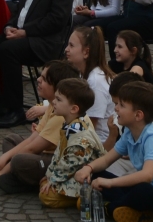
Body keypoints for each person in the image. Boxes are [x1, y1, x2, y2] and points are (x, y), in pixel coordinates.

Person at [80, 79, 153, 222]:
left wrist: (111, 183)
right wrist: (88, 168)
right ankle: (126, 209)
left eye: (121, 105)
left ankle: (110, 207)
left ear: (138, 115)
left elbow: (147, 175)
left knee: (141, 189)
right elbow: (107, 160)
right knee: (97, 175)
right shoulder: (129, 132)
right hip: (142, 189)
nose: (116, 109)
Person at [0, 60, 71, 191]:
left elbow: (32, 149)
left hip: (55, 160)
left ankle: (18, 180)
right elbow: (31, 140)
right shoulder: (51, 105)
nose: (38, 80)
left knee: (18, 160)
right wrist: (3, 158)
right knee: (10, 140)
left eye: (44, 79)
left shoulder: (60, 115)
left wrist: (3, 170)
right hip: (42, 153)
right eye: (40, 76)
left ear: (56, 87)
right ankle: (15, 176)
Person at [37, 79, 106, 208]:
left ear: (74, 109)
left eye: (59, 100)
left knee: (46, 197)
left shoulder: (80, 136)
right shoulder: (69, 125)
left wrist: (53, 179)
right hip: (72, 172)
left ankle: (84, 197)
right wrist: (49, 175)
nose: (53, 102)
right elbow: (59, 155)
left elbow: (69, 164)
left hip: (85, 177)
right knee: (46, 185)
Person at [63, 23, 115, 143]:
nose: (66, 49)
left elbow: (90, 125)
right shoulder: (83, 74)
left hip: (98, 143)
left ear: (86, 52)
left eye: (71, 45)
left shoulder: (96, 81)